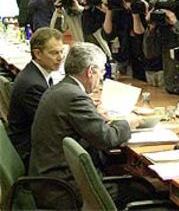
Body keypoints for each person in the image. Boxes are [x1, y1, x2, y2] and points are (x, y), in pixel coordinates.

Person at [29, 42, 147, 209]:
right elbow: (106, 138)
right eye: (101, 72)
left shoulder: (61, 89)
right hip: (63, 187)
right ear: (90, 71)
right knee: (144, 191)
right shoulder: (74, 97)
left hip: (48, 177)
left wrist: (95, 115)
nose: (101, 78)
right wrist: (127, 122)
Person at [7, 28, 64, 170]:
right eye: (54, 53)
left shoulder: (37, 74)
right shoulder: (33, 85)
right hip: (30, 152)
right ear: (37, 53)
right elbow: (52, 125)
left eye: (62, 51)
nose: (60, 57)